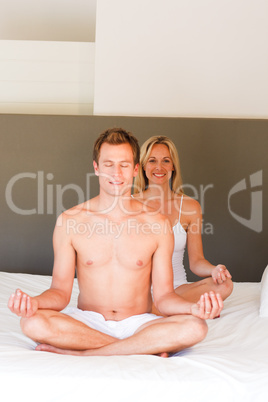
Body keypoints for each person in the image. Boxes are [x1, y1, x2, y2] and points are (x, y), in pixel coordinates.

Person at [8, 128, 223, 357]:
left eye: (124, 164)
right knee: (32, 322)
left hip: (138, 322)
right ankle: (139, 347)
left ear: (135, 170)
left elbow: (163, 297)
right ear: (96, 168)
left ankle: (85, 352)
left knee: (196, 327)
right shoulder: (69, 221)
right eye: (109, 164)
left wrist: (193, 308)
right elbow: (60, 292)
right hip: (88, 320)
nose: (116, 173)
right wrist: (34, 302)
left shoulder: (158, 224)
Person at [133, 135, 233, 306]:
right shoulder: (129, 204)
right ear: (143, 165)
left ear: (173, 165)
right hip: (139, 291)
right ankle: (168, 308)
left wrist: (214, 269)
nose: (159, 167)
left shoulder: (190, 207)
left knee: (225, 285)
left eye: (166, 161)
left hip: (177, 289)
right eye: (152, 161)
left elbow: (196, 262)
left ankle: (160, 309)